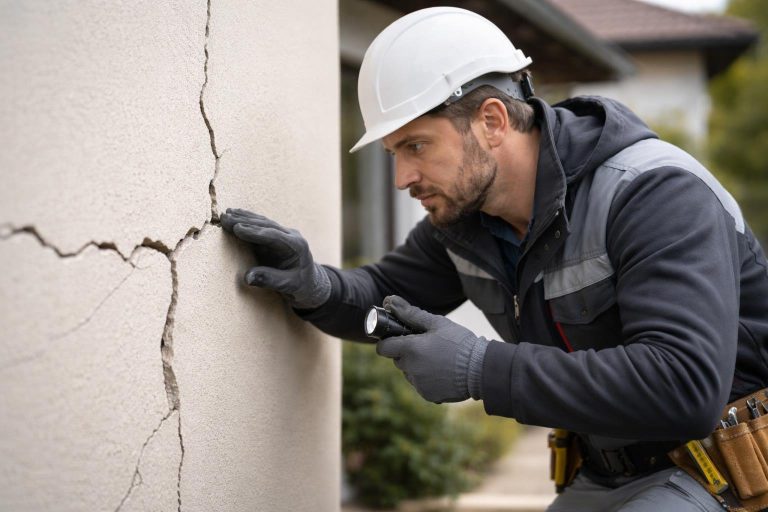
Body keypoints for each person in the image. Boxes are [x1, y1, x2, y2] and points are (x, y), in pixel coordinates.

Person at [220, 6, 768, 511]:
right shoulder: (467, 224)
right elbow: (381, 296)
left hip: (719, 470)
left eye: (416, 146)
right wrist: (317, 288)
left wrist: (481, 369)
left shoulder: (654, 195)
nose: (400, 178)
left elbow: (684, 386)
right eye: (393, 154)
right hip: (607, 475)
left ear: (492, 120)